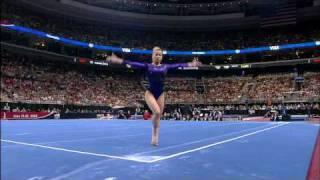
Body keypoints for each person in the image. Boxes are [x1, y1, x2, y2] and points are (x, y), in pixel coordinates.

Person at [107, 46, 201, 146]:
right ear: (152, 56)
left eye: (160, 55)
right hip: (150, 92)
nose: (158, 56)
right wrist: (118, 60)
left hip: (161, 93)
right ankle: (154, 135)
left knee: (158, 116)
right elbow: (132, 63)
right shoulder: (147, 66)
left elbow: (178, 65)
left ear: (162, 57)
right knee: (156, 112)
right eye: (156, 54)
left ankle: (155, 135)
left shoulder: (165, 67)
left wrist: (191, 64)